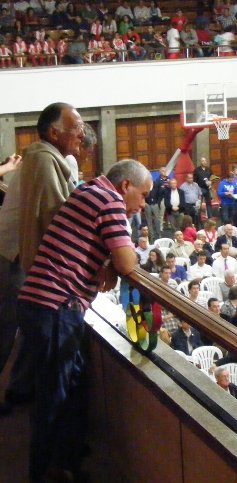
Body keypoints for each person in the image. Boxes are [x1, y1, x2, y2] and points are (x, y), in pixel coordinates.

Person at [16, 159, 151, 481]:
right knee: (55, 397)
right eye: (144, 195)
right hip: (56, 307)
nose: (143, 204)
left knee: (71, 386)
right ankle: (44, 473)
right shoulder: (110, 201)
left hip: (45, 304)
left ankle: (65, 464)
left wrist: (106, 261)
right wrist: (114, 260)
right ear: (126, 186)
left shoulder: (89, 190)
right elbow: (128, 262)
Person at [0, 103, 84, 412]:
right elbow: (57, 215)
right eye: (76, 128)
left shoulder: (47, 157)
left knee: (25, 326)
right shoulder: (44, 159)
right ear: (54, 132)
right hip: (11, 254)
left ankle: (19, 388)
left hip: (18, 254)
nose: (81, 134)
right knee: (7, 327)